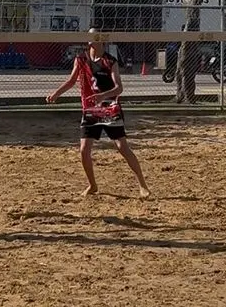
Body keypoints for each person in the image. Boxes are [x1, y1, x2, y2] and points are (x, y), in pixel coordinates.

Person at [46, 29, 149, 198]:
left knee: (122, 147)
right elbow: (72, 81)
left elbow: (119, 88)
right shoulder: (81, 60)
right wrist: (56, 93)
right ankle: (92, 185)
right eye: (90, 37)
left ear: (102, 40)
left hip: (109, 108)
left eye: (95, 37)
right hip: (91, 110)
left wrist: (102, 95)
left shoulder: (110, 61)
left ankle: (142, 185)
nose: (91, 40)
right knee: (84, 150)